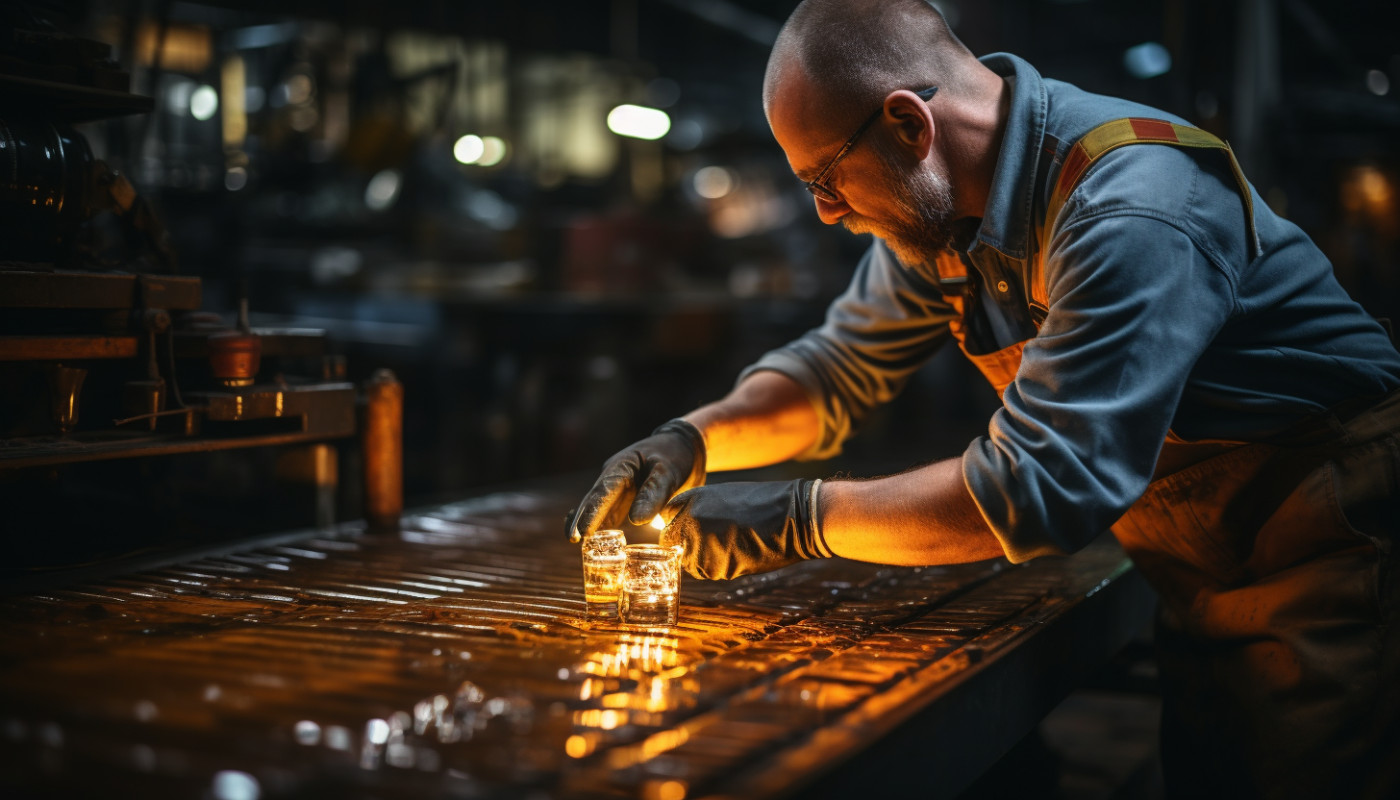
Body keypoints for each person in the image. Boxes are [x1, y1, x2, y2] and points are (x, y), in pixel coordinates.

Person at [569, 0, 1400, 796]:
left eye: (826, 176)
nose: (824, 213)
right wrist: (693, 438)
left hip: (1339, 554)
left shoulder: (1133, 204)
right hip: (1204, 570)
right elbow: (835, 370)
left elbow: (1038, 487)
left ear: (909, 124)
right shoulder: (935, 212)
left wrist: (793, 519)